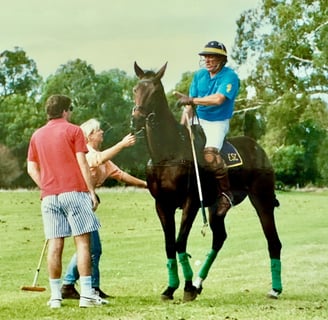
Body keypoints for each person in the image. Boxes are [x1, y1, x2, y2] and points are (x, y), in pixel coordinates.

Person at [27, 95, 106, 308]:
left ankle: (55, 297)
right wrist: (91, 191)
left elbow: (31, 167)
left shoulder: (37, 135)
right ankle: (87, 295)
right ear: (64, 111)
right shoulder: (73, 131)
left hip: (49, 196)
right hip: (74, 192)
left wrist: (44, 186)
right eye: (69, 108)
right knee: (82, 243)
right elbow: (82, 161)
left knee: (55, 243)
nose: (70, 112)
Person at [61, 118, 147, 300]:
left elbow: (121, 175)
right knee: (93, 248)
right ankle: (86, 287)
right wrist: (122, 144)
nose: (102, 133)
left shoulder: (103, 158)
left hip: (85, 202)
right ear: (90, 136)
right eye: (99, 131)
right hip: (77, 200)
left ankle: (71, 284)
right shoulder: (86, 153)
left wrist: (147, 185)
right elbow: (97, 159)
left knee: (89, 247)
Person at [175, 40, 240, 216]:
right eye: (205, 57)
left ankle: (226, 195)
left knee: (210, 156)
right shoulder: (199, 76)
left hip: (217, 122)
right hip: (198, 118)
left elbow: (218, 99)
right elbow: (189, 106)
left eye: (212, 57)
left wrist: (192, 101)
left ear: (221, 59)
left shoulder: (230, 77)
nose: (207, 60)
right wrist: (183, 126)